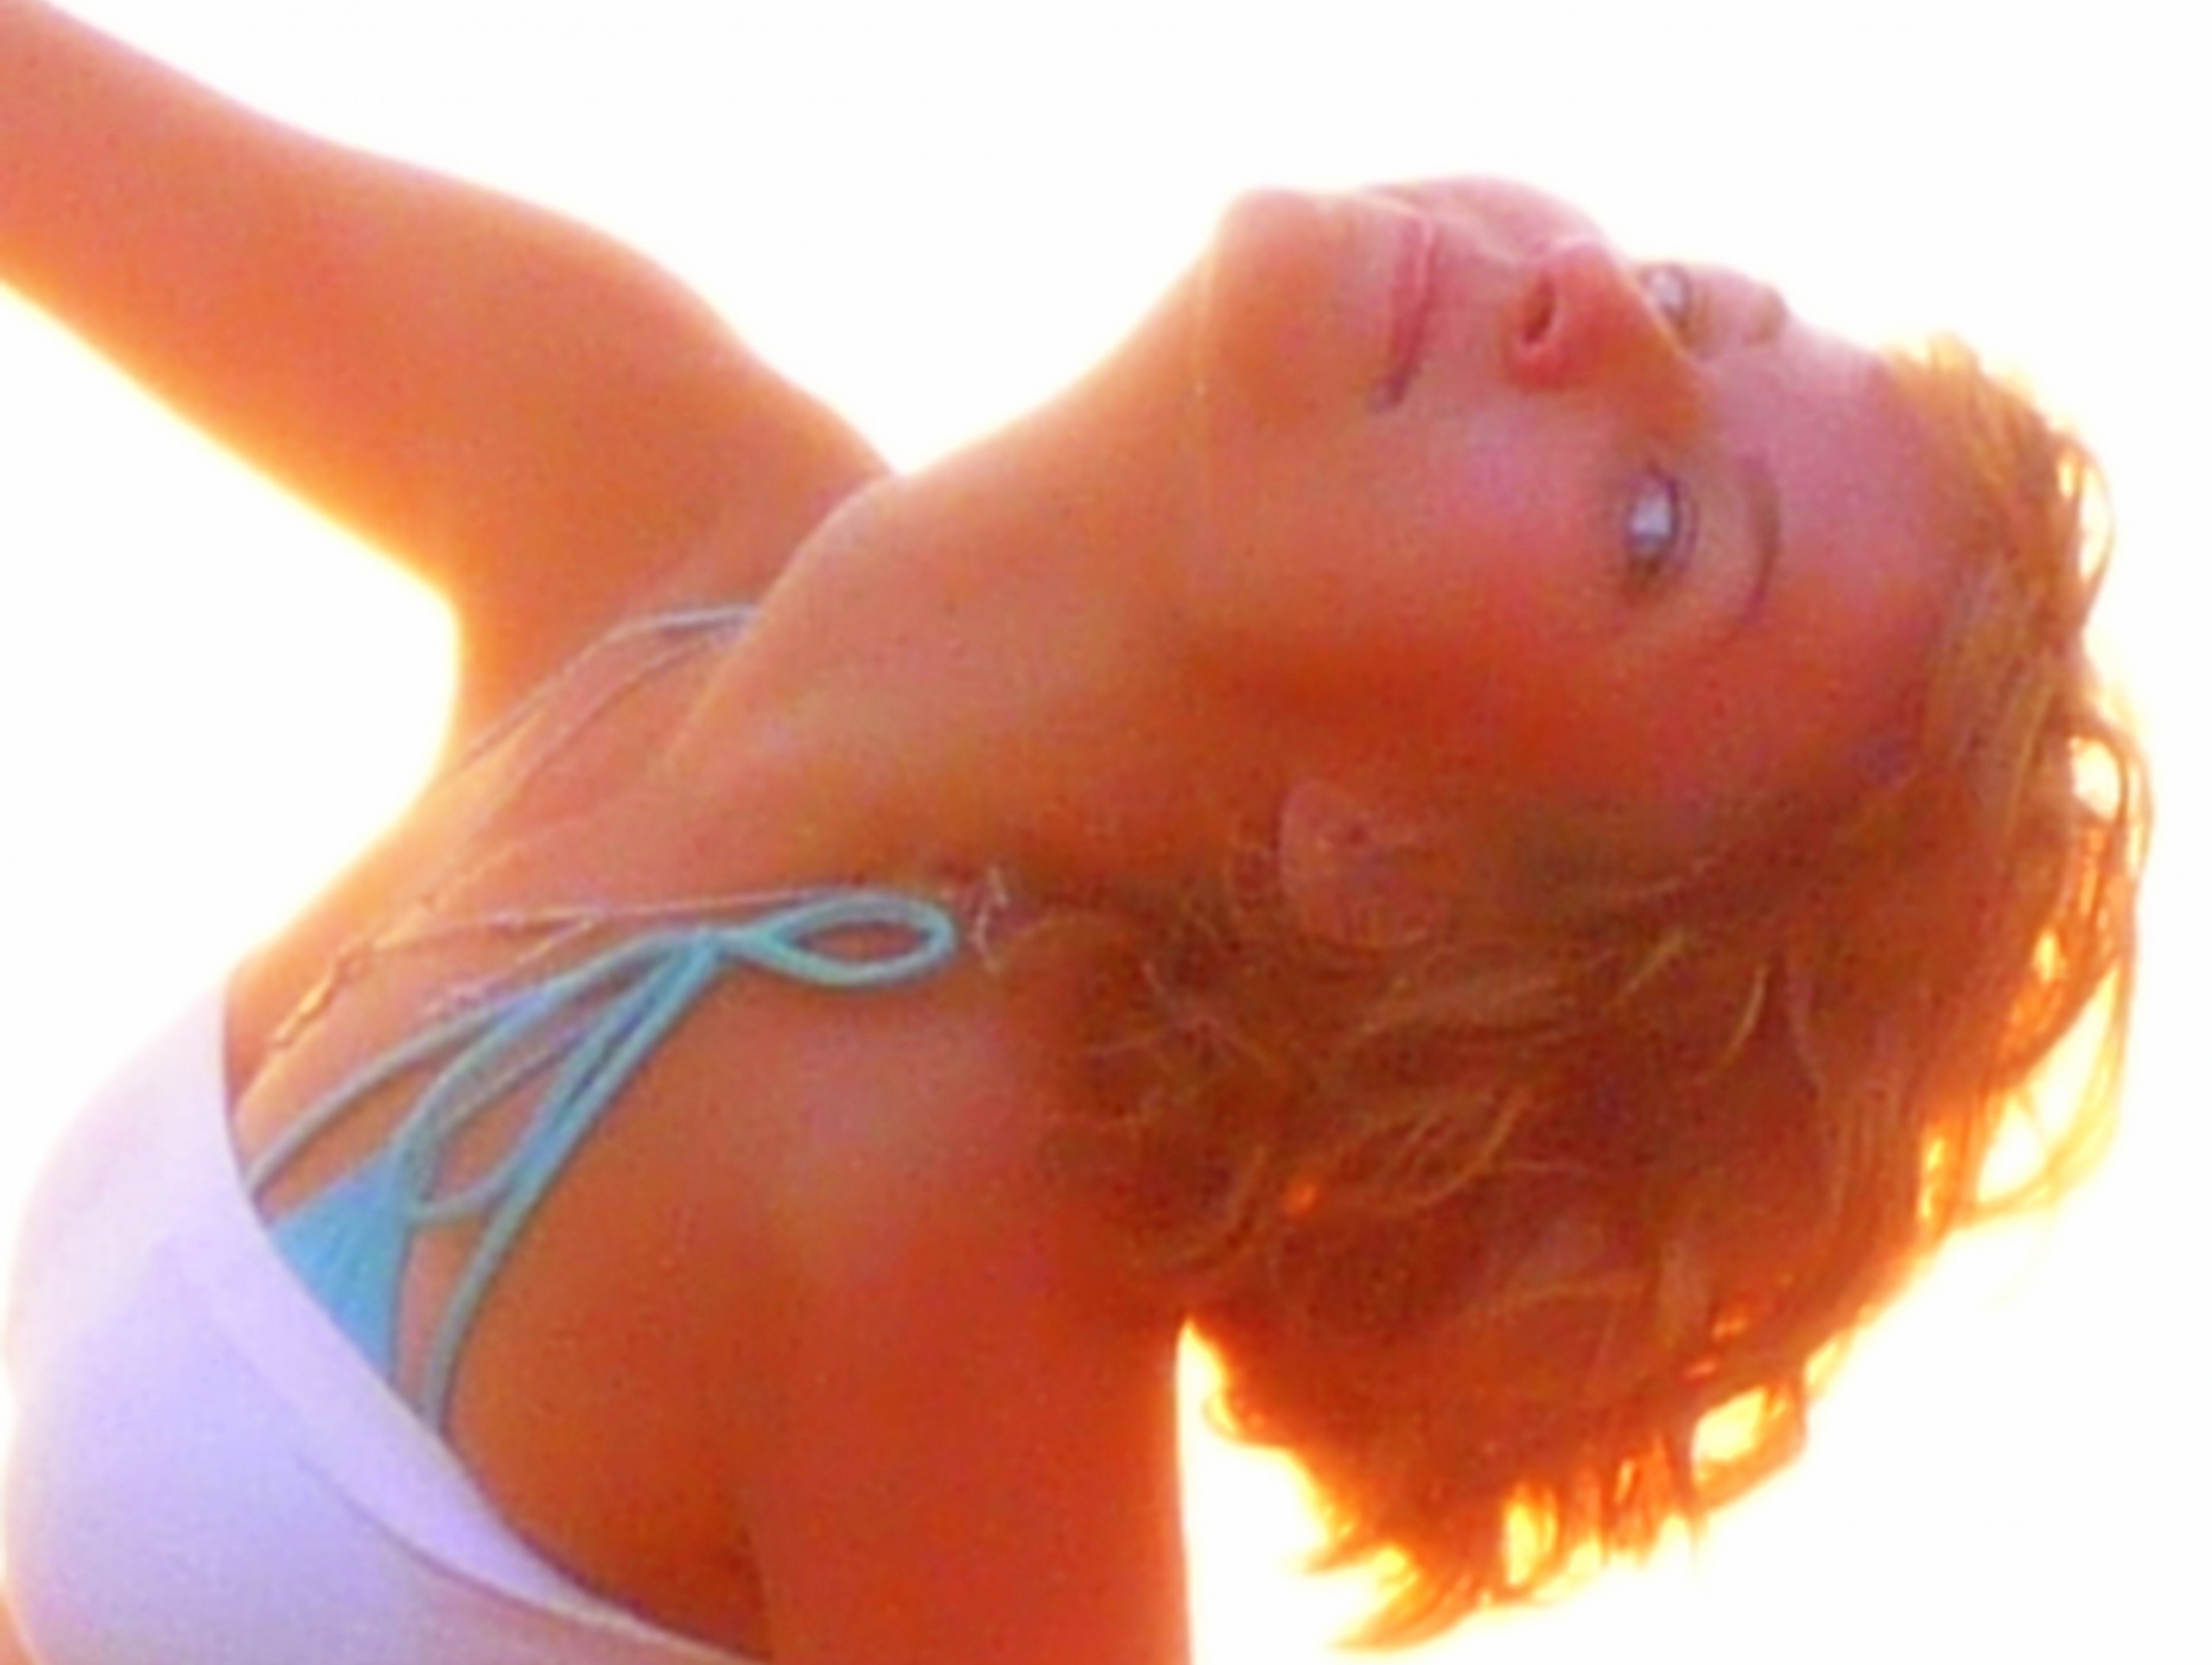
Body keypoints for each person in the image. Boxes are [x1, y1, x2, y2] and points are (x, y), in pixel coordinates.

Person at [0, 3, 2147, 1662]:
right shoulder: (657, 492)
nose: (1579, 305)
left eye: (1651, 529)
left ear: (1390, 859)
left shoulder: (952, 1191)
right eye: (1682, 303)